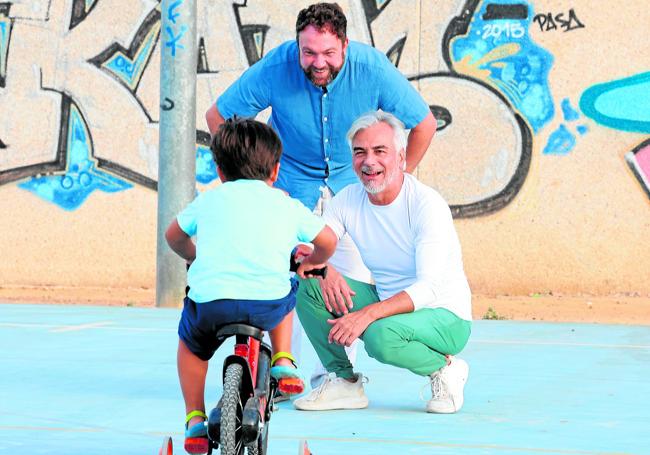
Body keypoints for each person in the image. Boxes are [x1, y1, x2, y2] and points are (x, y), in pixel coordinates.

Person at [205, 2, 437, 387]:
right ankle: (277, 376)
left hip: (351, 187)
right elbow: (218, 116)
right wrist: (244, 181)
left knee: (347, 281)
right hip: (288, 183)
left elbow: (424, 124)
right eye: (308, 52)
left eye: (328, 53)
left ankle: (335, 377)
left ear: (345, 45)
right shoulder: (278, 66)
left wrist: (399, 174)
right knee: (280, 279)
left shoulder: (372, 68)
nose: (317, 62)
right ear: (297, 45)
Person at [165, 118, 337, 454]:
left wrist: (195, 256)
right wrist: (312, 261)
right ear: (275, 171)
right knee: (288, 288)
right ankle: (284, 360)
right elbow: (328, 241)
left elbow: (174, 236)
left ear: (219, 171)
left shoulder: (209, 200)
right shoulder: (286, 204)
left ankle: (195, 421)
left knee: (191, 345)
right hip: (265, 304)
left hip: (211, 306)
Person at [293, 111, 472, 413]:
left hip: (445, 316)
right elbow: (308, 249)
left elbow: (427, 289)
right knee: (309, 286)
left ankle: (446, 369)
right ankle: (345, 383)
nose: (368, 161)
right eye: (359, 152)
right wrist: (324, 267)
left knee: (379, 336)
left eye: (380, 151)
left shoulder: (426, 205)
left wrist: (367, 315)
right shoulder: (348, 199)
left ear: (401, 157)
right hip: (388, 303)